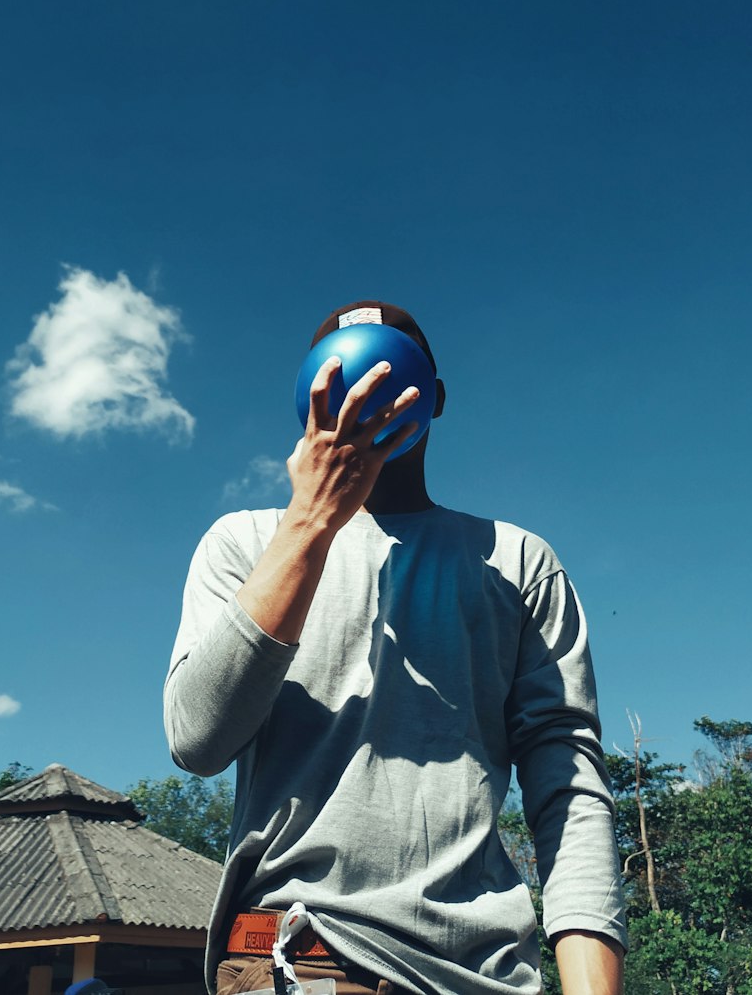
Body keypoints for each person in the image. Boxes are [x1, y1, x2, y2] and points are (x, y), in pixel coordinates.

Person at [164, 302, 626, 995]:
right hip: (303, 956)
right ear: (308, 392)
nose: (368, 378)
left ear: (433, 396)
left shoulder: (519, 560)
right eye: (343, 361)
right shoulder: (246, 543)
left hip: (485, 976)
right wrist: (313, 519)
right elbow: (197, 738)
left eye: (391, 358)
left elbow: (570, 787)